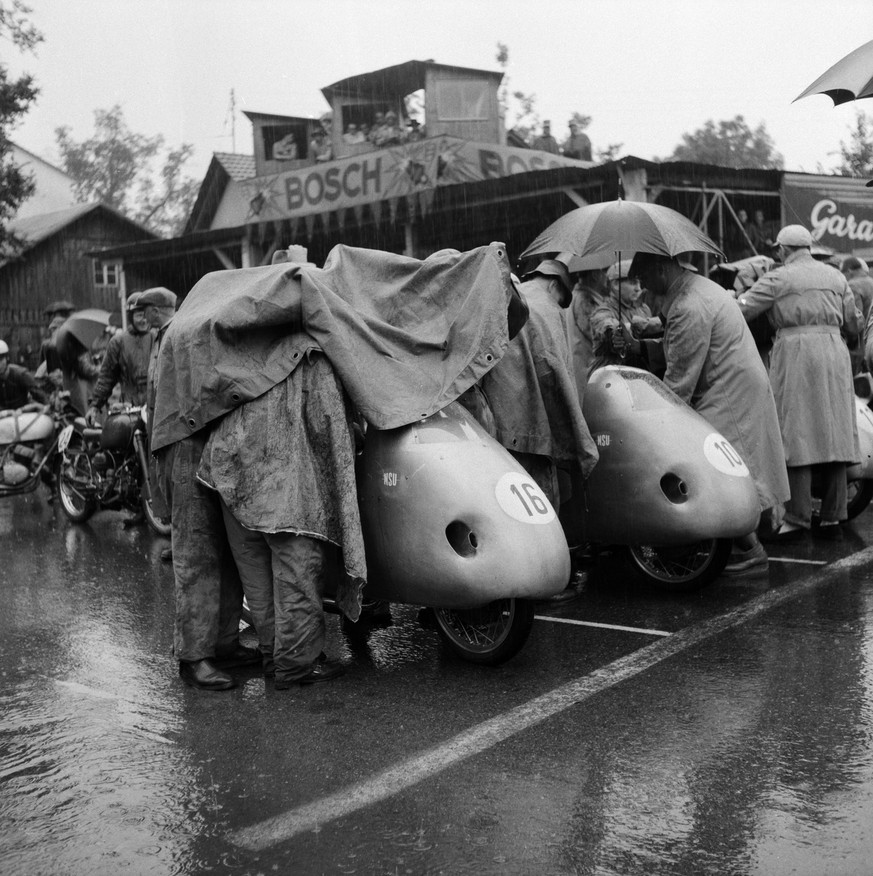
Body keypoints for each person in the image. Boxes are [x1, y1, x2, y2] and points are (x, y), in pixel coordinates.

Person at [625, 252, 789, 575]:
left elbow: (680, 379)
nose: (643, 288)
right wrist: (638, 347)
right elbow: (677, 348)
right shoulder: (694, 289)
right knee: (734, 471)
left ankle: (753, 551)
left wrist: (650, 417)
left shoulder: (688, 305)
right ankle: (747, 543)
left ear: (661, 269)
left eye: (644, 279)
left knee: (719, 472)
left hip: (726, 391)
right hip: (732, 384)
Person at [141, 286, 259, 690]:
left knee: (227, 551)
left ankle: (224, 643)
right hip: (186, 445)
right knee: (198, 555)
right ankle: (194, 656)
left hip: (211, 443)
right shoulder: (183, 333)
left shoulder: (193, 328)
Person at [738, 224, 861, 542]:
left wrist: (730, 297)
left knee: (796, 431)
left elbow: (744, 308)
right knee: (833, 432)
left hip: (796, 351)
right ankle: (835, 513)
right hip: (834, 350)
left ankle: (798, 515)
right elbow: (852, 322)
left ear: (783, 249)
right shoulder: (836, 276)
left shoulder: (778, 277)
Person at [86, 292, 154, 425]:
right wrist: (95, 406)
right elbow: (106, 378)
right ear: (131, 316)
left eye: (147, 315)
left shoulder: (157, 338)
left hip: (155, 410)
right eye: (139, 315)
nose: (144, 320)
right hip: (129, 410)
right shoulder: (118, 342)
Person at [588, 259, 652, 373]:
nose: (638, 288)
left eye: (640, 283)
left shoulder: (643, 309)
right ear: (616, 285)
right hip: (611, 375)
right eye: (633, 283)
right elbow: (604, 323)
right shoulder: (604, 309)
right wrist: (617, 330)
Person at [565, 263, 610, 403]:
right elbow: (598, 335)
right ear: (596, 275)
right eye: (605, 272)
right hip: (588, 369)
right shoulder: (586, 300)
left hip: (582, 369)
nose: (607, 278)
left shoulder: (577, 295)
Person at [0, 339, 47, 409]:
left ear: (7, 358)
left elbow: (40, 396)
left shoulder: (21, 374)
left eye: (0, 360)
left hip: (23, 415)